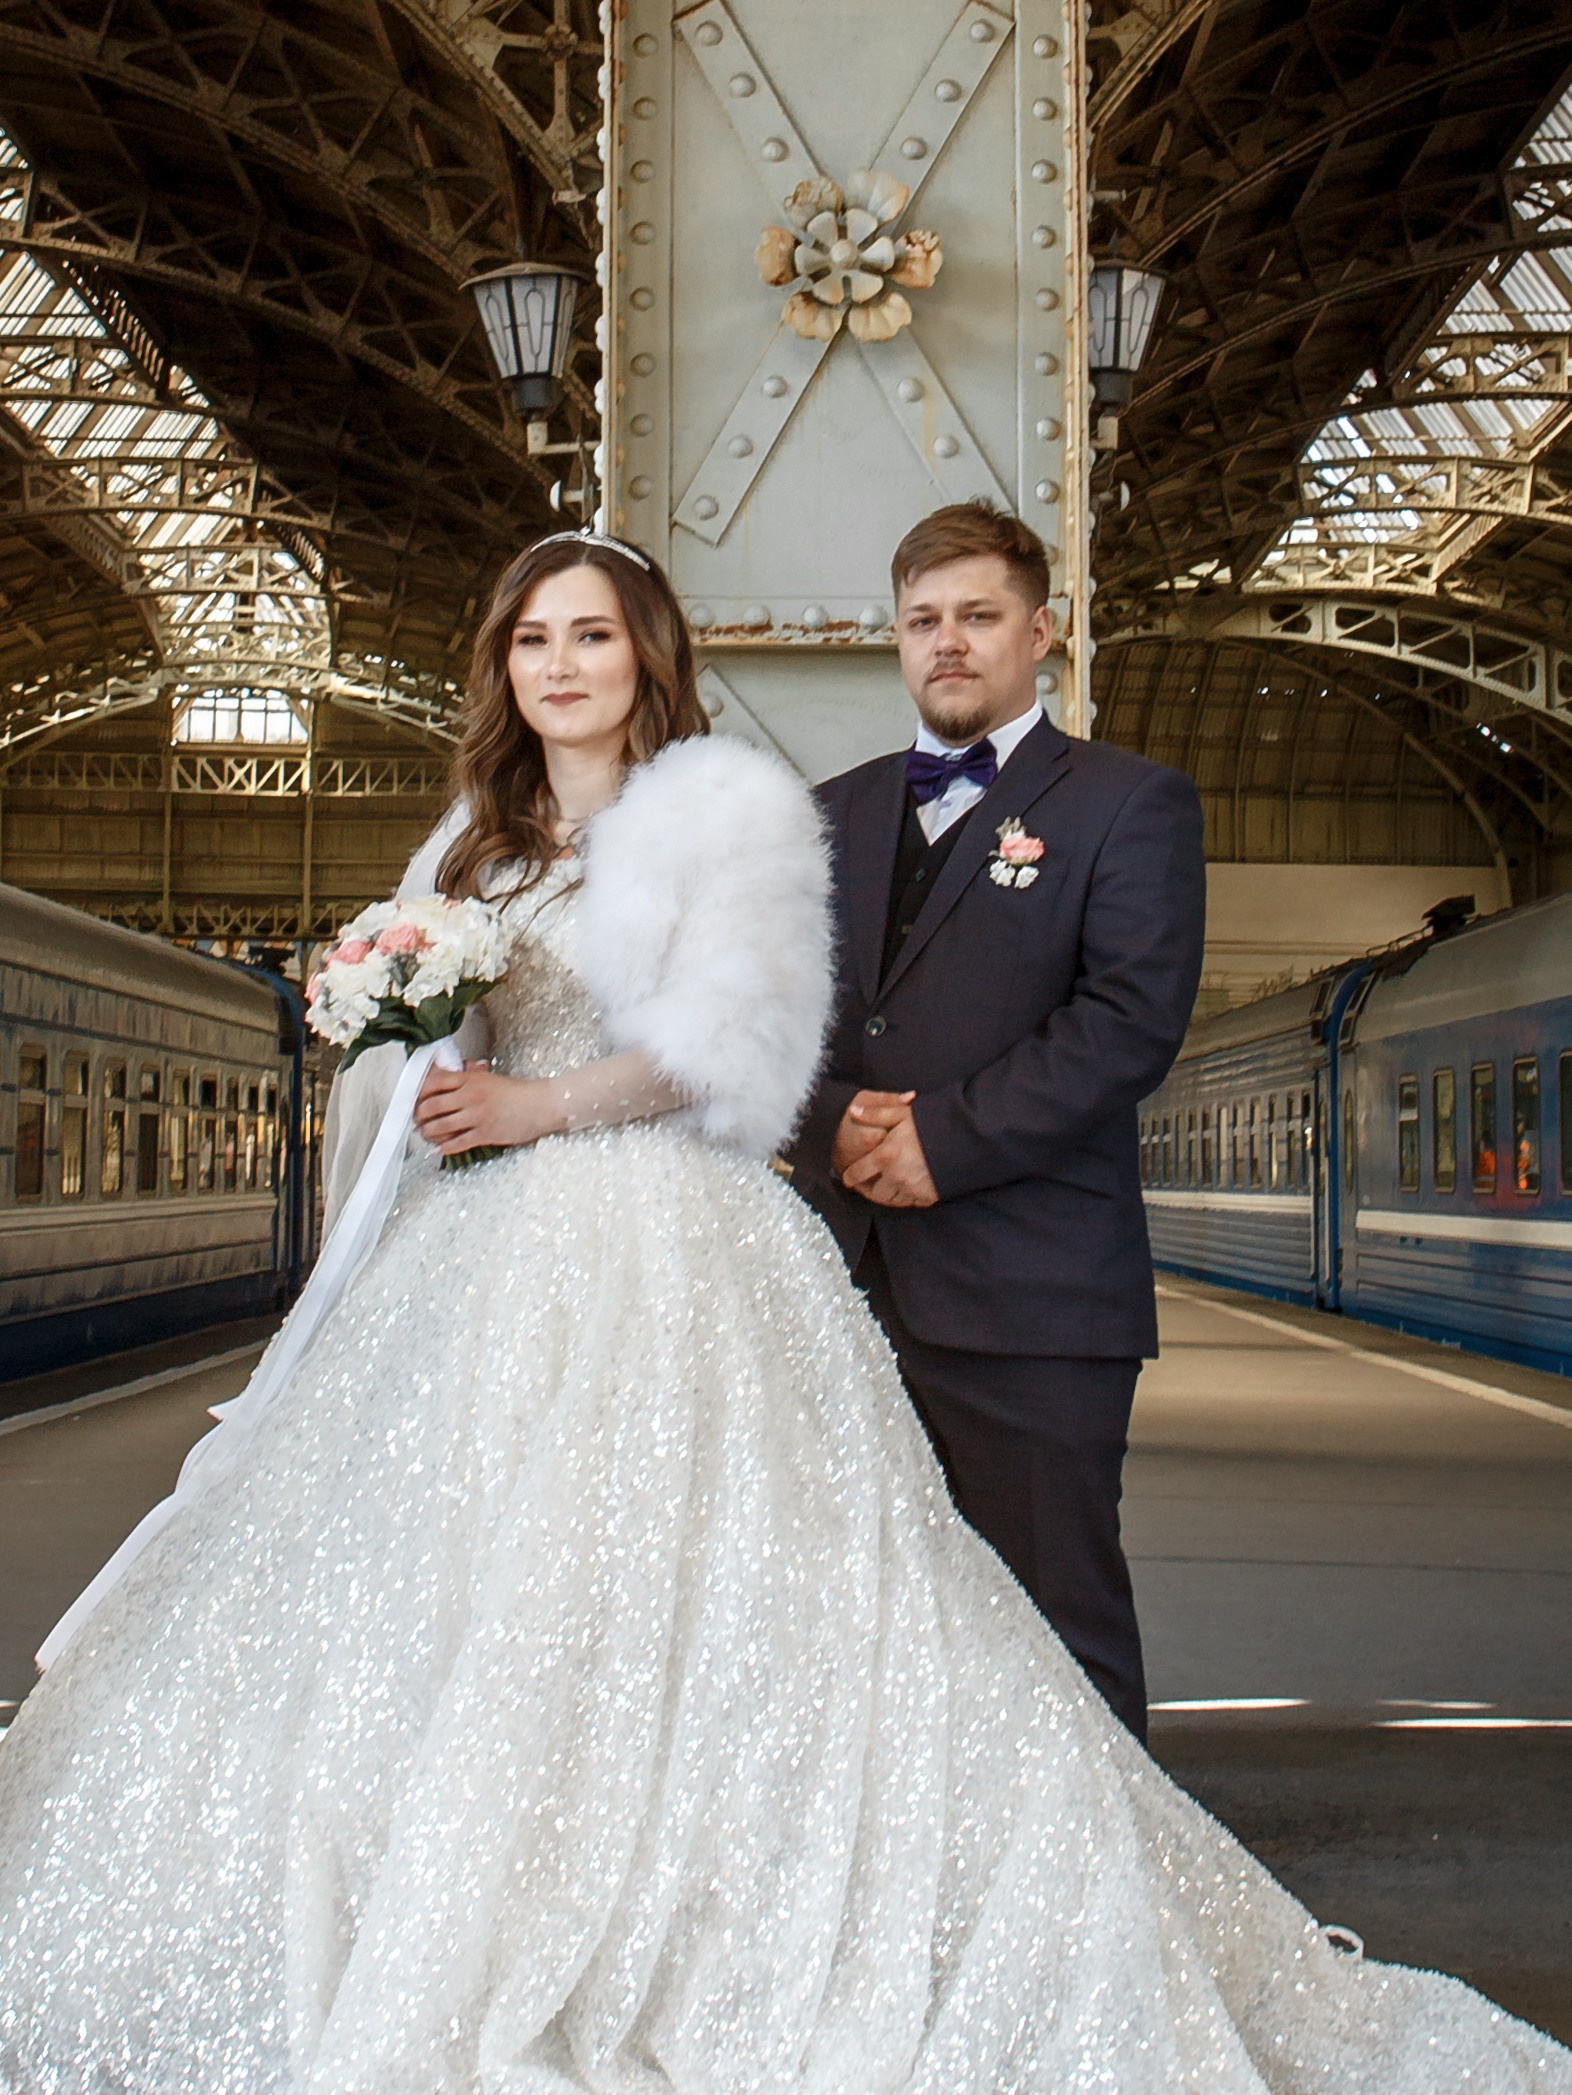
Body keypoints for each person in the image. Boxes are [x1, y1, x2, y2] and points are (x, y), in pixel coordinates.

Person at [0, 532, 1565, 2095]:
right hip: (486, 1262)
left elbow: (736, 1037)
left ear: (646, 653)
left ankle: (1008, 1916)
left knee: (830, 1605)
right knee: (489, 1592)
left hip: (680, 1243)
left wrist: (542, 1104)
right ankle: (500, 1891)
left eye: (593, 634)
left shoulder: (734, 809)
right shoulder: (478, 840)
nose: (560, 663)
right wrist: (401, 1040)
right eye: (532, 636)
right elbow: (452, 1042)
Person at [789, 501, 1204, 1744]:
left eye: (978, 617)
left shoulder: (1131, 805)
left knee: (1055, 1624)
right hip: (838, 1289)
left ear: (1044, 631)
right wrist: (831, 1124)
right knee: (856, 1629)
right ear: (899, 642)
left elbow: (1128, 1020)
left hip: (1035, 1301)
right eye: (924, 621)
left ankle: (1104, 1924)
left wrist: (941, 1142)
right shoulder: (830, 813)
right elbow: (771, 1015)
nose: (949, 643)